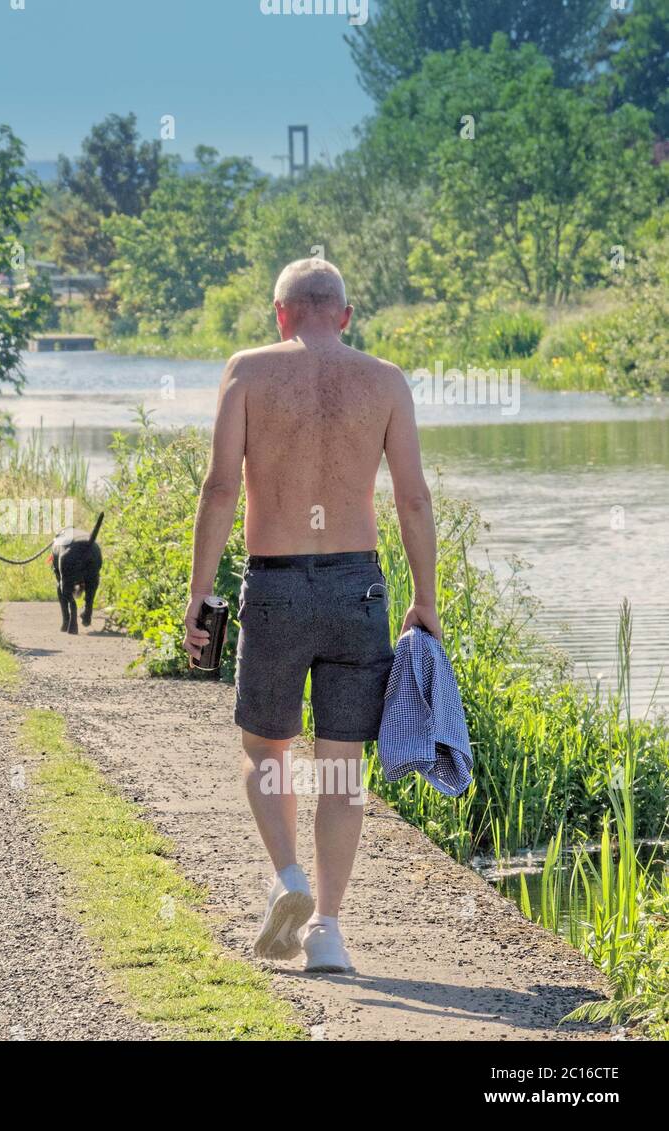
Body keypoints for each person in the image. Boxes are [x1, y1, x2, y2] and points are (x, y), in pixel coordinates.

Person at [184, 258, 439, 975]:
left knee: (264, 750)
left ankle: (288, 876)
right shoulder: (386, 381)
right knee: (341, 768)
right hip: (360, 587)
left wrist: (199, 591)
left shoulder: (249, 371)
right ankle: (327, 928)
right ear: (347, 316)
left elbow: (219, 486)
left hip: (276, 584)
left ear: (281, 314)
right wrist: (425, 600)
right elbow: (413, 499)